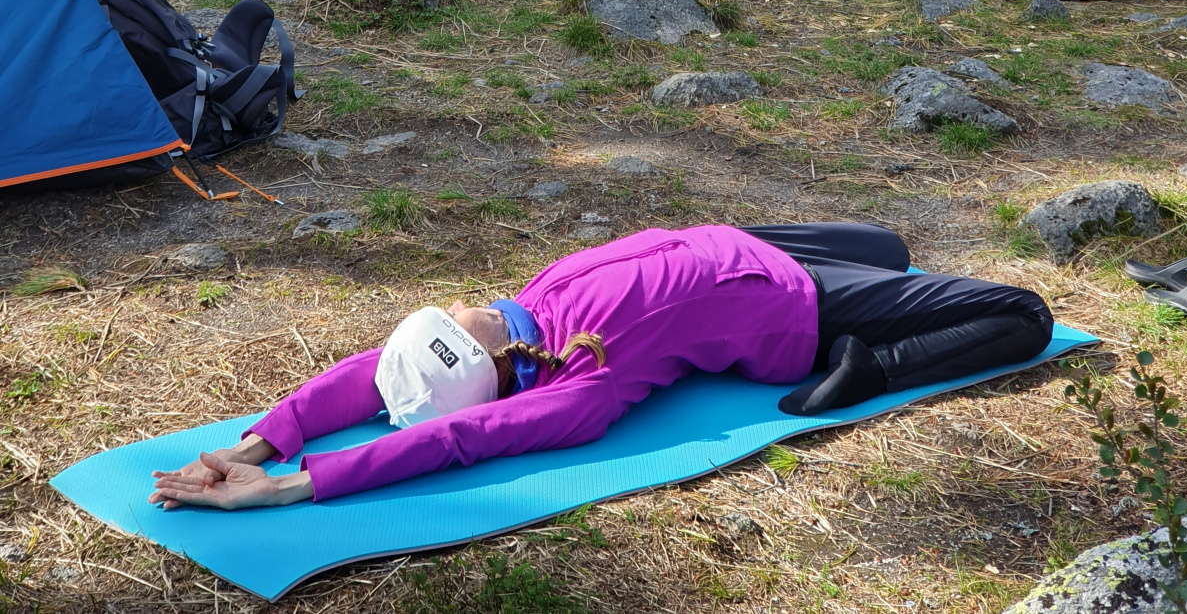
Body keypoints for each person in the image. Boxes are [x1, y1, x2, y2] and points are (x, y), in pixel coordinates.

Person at [148, 221, 1052, 511]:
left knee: (889, 244)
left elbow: (368, 374)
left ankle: (876, 320)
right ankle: (874, 366)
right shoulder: (579, 387)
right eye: (462, 323)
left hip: (744, 242)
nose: (463, 303)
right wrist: (291, 489)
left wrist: (264, 442)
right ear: (495, 358)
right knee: (1022, 315)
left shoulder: (522, 312)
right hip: (793, 309)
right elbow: (456, 438)